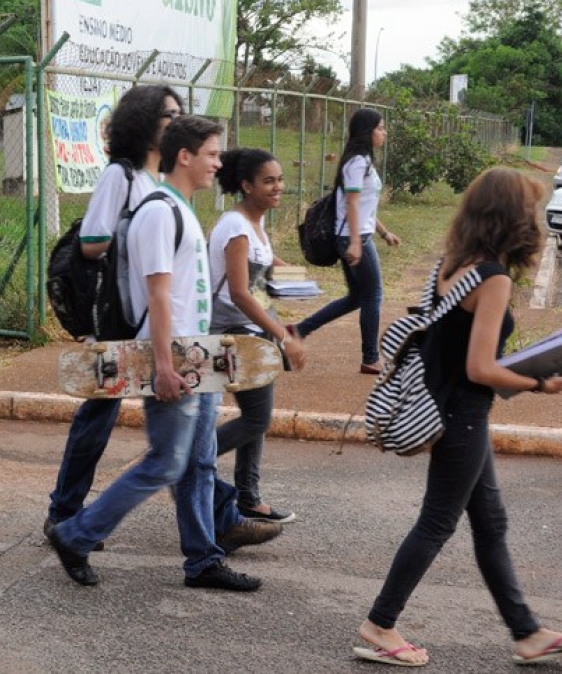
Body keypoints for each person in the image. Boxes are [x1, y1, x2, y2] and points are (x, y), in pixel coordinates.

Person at [353, 167, 562, 667]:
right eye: (529, 209)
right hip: (461, 413)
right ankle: (380, 624)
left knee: (490, 522)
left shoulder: (454, 264)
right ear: (511, 217)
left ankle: (526, 632)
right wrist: (538, 381)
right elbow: (480, 367)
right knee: (438, 522)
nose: (535, 218)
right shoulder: (495, 278)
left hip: (449, 408)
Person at [45, 86, 279, 555]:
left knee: (182, 448)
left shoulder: (163, 185)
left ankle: (215, 528)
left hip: (164, 325)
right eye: (166, 115)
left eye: (178, 114)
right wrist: (138, 246)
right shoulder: (124, 177)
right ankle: (67, 518)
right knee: (106, 422)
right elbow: (92, 243)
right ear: (144, 121)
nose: (174, 121)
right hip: (127, 321)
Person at [208, 149, 307, 525]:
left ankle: (248, 497)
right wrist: (283, 337)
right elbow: (239, 292)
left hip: (249, 331)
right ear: (246, 185)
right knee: (257, 419)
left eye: (280, 179)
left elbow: (264, 268)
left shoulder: (253, 223)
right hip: (231, 334)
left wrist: (300, 279)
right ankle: (191, 462)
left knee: (255, 417)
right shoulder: (236, 227)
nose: (278, 187)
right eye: (269, 181)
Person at [293, 108, 400, 374]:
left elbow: (363, 207)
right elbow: (351, 204)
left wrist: (384, 233)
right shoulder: (357, 163)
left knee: (356, 298)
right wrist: (354, 242)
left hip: (358, 235)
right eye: (380, 128)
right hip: (354, 239)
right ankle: (370, 358)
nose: (384, 132)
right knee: (373, 295)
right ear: (367, 131)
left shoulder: (361, 161)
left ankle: (299, 330)